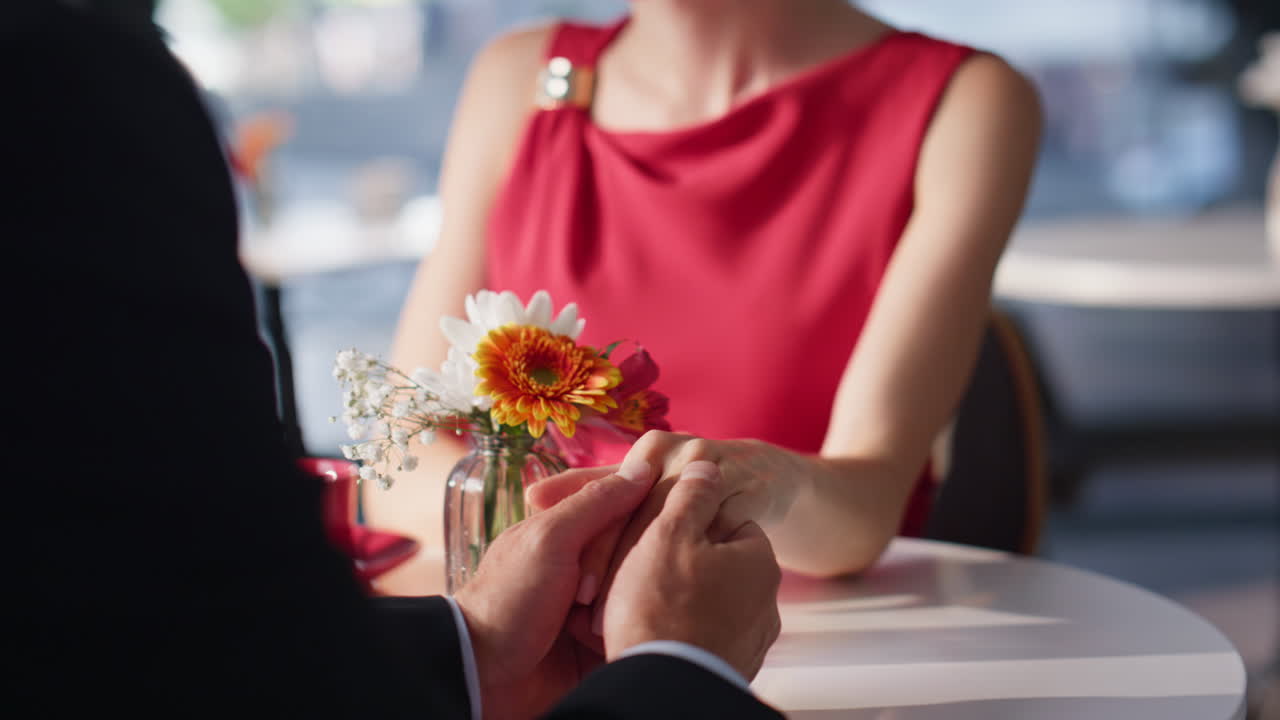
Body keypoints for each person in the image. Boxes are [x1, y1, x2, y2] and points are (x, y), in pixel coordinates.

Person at [10, 3, 784, 718]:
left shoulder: (63, 92)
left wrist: (473, 645)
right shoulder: (65, 99)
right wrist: (679, 671)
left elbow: (158, 641)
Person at [369, 0, 1043, 586]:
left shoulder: (965, 101)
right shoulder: (516, 76)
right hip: (526, 639)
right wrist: (613, 521)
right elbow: (397, 468)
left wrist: (730, 490)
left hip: (795, 652)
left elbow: (862, 509)